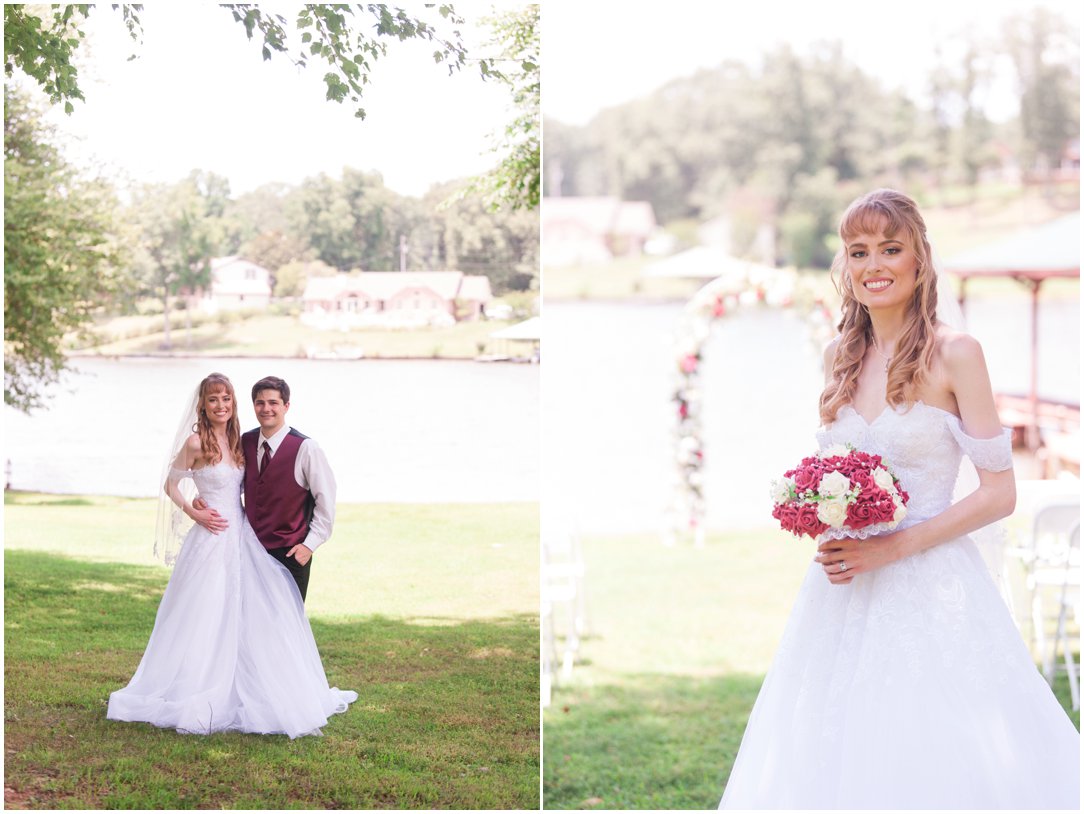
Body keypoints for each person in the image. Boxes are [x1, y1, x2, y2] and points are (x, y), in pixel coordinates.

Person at [719, 189, 1079, 809]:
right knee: (833, 748)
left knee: (932, 746)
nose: (874, 264)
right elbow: (837, 468)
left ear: (919, 261)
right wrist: (819, 505)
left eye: (891, 248)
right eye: (858, 251)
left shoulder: (956, 354)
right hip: (841, 589)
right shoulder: (837, 358)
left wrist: (894, 547)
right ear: (845, 267)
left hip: (932, 586)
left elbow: (1000, 493)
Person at [107, 373, 356, 738]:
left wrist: (310, 543)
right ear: (204, 405)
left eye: (227, 399)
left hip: (262, 544)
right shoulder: (217, 441)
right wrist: (195, 508)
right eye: (213, 400)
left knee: (265, 620)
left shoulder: (275, 444)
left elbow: (321, 500)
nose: (221, 405)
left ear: (285, 406)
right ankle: (204, 687)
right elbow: (172, 482)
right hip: (215, 539)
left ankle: (273, 690)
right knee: (208, 613)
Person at [240, 375, 335, 603]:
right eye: (260, 403)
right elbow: (234, 483)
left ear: (286, 406)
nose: (266, 408)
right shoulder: (246, 441)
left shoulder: (306, 448)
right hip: (249, 551)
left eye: (273, 402)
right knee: (249, 623)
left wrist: (308, 546)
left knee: (286, 630)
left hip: (290, 554)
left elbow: (326, 502)